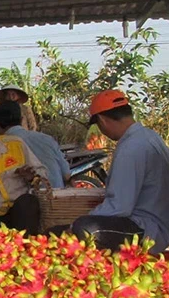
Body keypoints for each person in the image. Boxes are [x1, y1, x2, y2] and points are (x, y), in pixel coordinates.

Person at [70, 90, 169, 254]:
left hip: (146, 229)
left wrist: (76, 223)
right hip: (160, 225)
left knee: (84, 227)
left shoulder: (130, 148)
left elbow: (119, 207)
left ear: (102, 121)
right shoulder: (150, 137)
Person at [0, 101, 70, 188]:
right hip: (57, 198)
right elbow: (66, 175)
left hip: (25, 200)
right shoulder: (47, 139)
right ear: (22, 120)